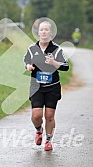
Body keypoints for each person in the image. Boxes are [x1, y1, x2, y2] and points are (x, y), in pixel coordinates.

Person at [23, 21, 69, 151]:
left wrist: (54, 62)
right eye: (41, 30)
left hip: (52, 86)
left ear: (51, 32)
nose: (44, 32)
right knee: (36, 115)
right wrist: (28, 66)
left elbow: (66, 66)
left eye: (46, 30)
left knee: (49, 116)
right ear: (38, 32)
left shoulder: (57, 49)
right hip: (36, 86)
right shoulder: (32, 48)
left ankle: (48, 140)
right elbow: (26, 60)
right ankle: (39, 130)